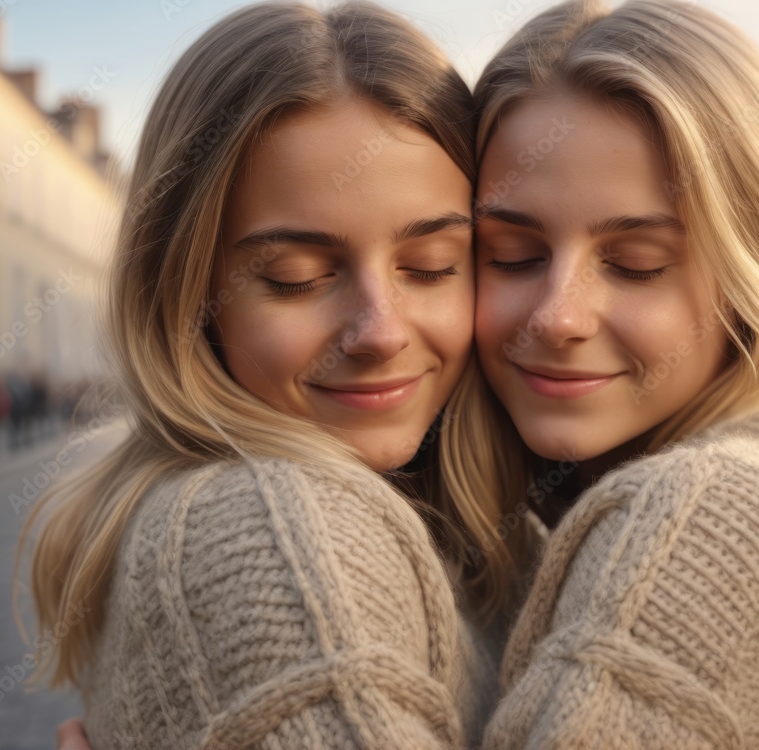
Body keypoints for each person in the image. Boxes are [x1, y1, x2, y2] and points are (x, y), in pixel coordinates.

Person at [35, 3, 540, 749]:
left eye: (431, 266)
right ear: (186, 295)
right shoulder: (276, 541)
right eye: (296, 277)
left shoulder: (468, 518)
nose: (381, 331)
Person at [470, 1, 759, 747]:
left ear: (752, 279)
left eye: (637, 264)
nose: (558, 316)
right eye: (512, 254)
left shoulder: (709, 517)